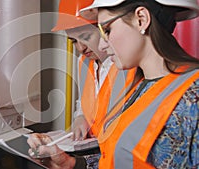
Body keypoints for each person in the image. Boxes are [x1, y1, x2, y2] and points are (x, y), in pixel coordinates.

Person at [27, 0, 199, 168]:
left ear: (141, 19)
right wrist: (73, 164)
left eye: (107, 30)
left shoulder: (193, 97)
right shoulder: (140, 89)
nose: (102, 45)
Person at [51, 0, 112, 140]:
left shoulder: (125, 65)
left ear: (104, 28)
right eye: (74, 41)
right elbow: (84, 102)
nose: (81, 48)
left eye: (85, 37)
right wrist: (80, 117)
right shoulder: (83, 62)